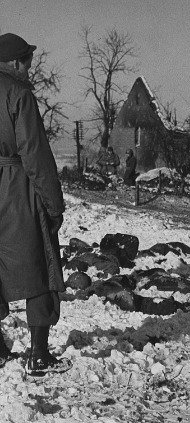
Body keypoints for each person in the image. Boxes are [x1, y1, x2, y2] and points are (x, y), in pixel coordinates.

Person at [0, 33, 70, 376]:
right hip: (16, 187)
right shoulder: (19, 94)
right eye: (27, 60)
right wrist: (53, 205)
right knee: (42, 259)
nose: (29, 67)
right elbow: (35, 154)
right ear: (15, 63)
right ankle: (39, 353)